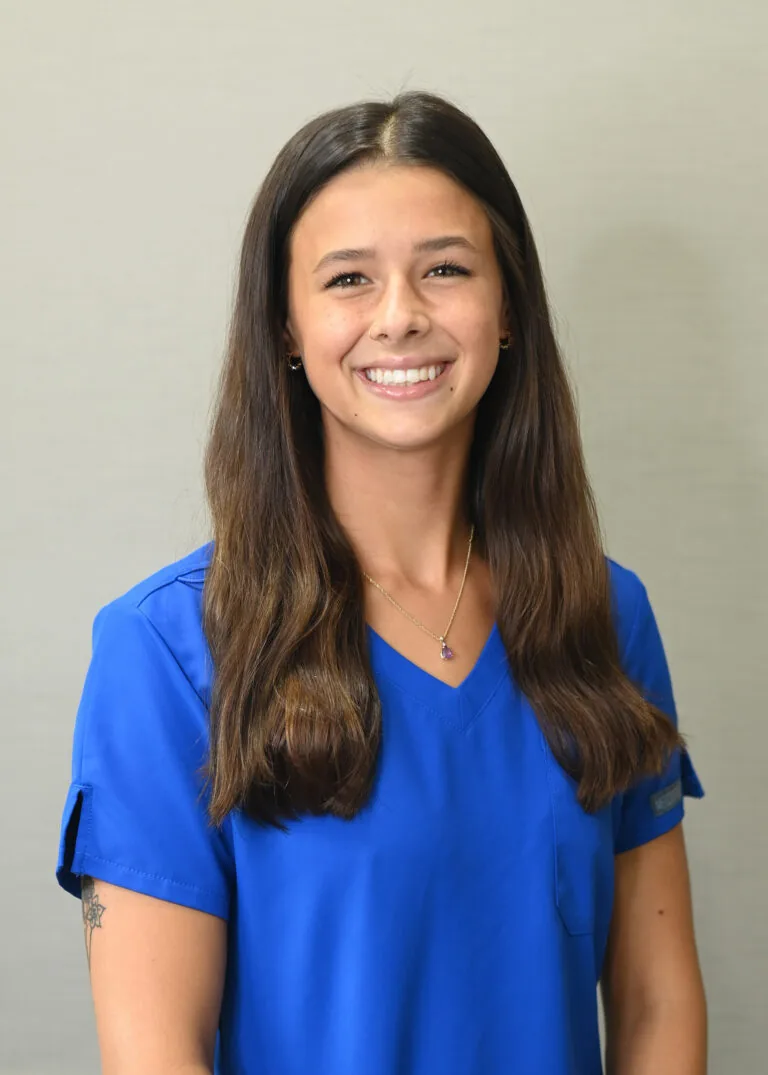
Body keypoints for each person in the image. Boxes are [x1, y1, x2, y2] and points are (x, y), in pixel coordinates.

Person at [56, 89, 707, 1075]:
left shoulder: (606, 617)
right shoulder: (168, 652)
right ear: (285, 327)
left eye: (446, 268)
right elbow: (156, 1053)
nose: (400, 316)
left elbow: (657, 1005)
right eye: (349, 279)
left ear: (508, 311)